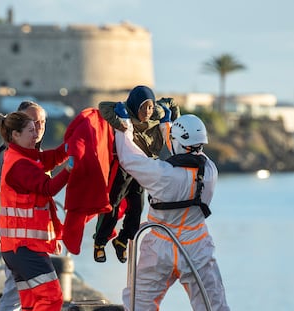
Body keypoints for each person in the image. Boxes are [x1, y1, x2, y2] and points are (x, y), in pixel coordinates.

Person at [114, 110, 230, 310]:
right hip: (197, 246)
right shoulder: (210, 171)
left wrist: (124, 126)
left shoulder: (162, 175)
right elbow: (186, 152)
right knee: (213, 306)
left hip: (160, 247)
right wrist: (166, 127)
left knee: (138, 305)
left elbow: (129, 158)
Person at [0, 110, 71, 311]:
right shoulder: (19, 165)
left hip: (19, 249)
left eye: (36, 129)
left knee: (31, 303)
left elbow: (50, 158)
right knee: (52, 299)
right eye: (31, 130)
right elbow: (47, 188)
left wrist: (70, 147)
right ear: (15, 135)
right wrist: (69, 170)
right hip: (25, 249)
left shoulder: (24, 157)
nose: (36, 134)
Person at [93, 85, 180, 263]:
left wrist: (173, 116)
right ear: (135, 105)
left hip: (144, 167)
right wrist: (120, 122)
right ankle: (100, 242)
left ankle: (122, 240)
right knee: (112, 205)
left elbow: (171, 103)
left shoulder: (156, 112)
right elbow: (103, 106)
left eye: (149, 106)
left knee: (137, 208)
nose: (147, 111)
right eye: (143, 107)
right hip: (123, 168)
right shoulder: (126, 112)